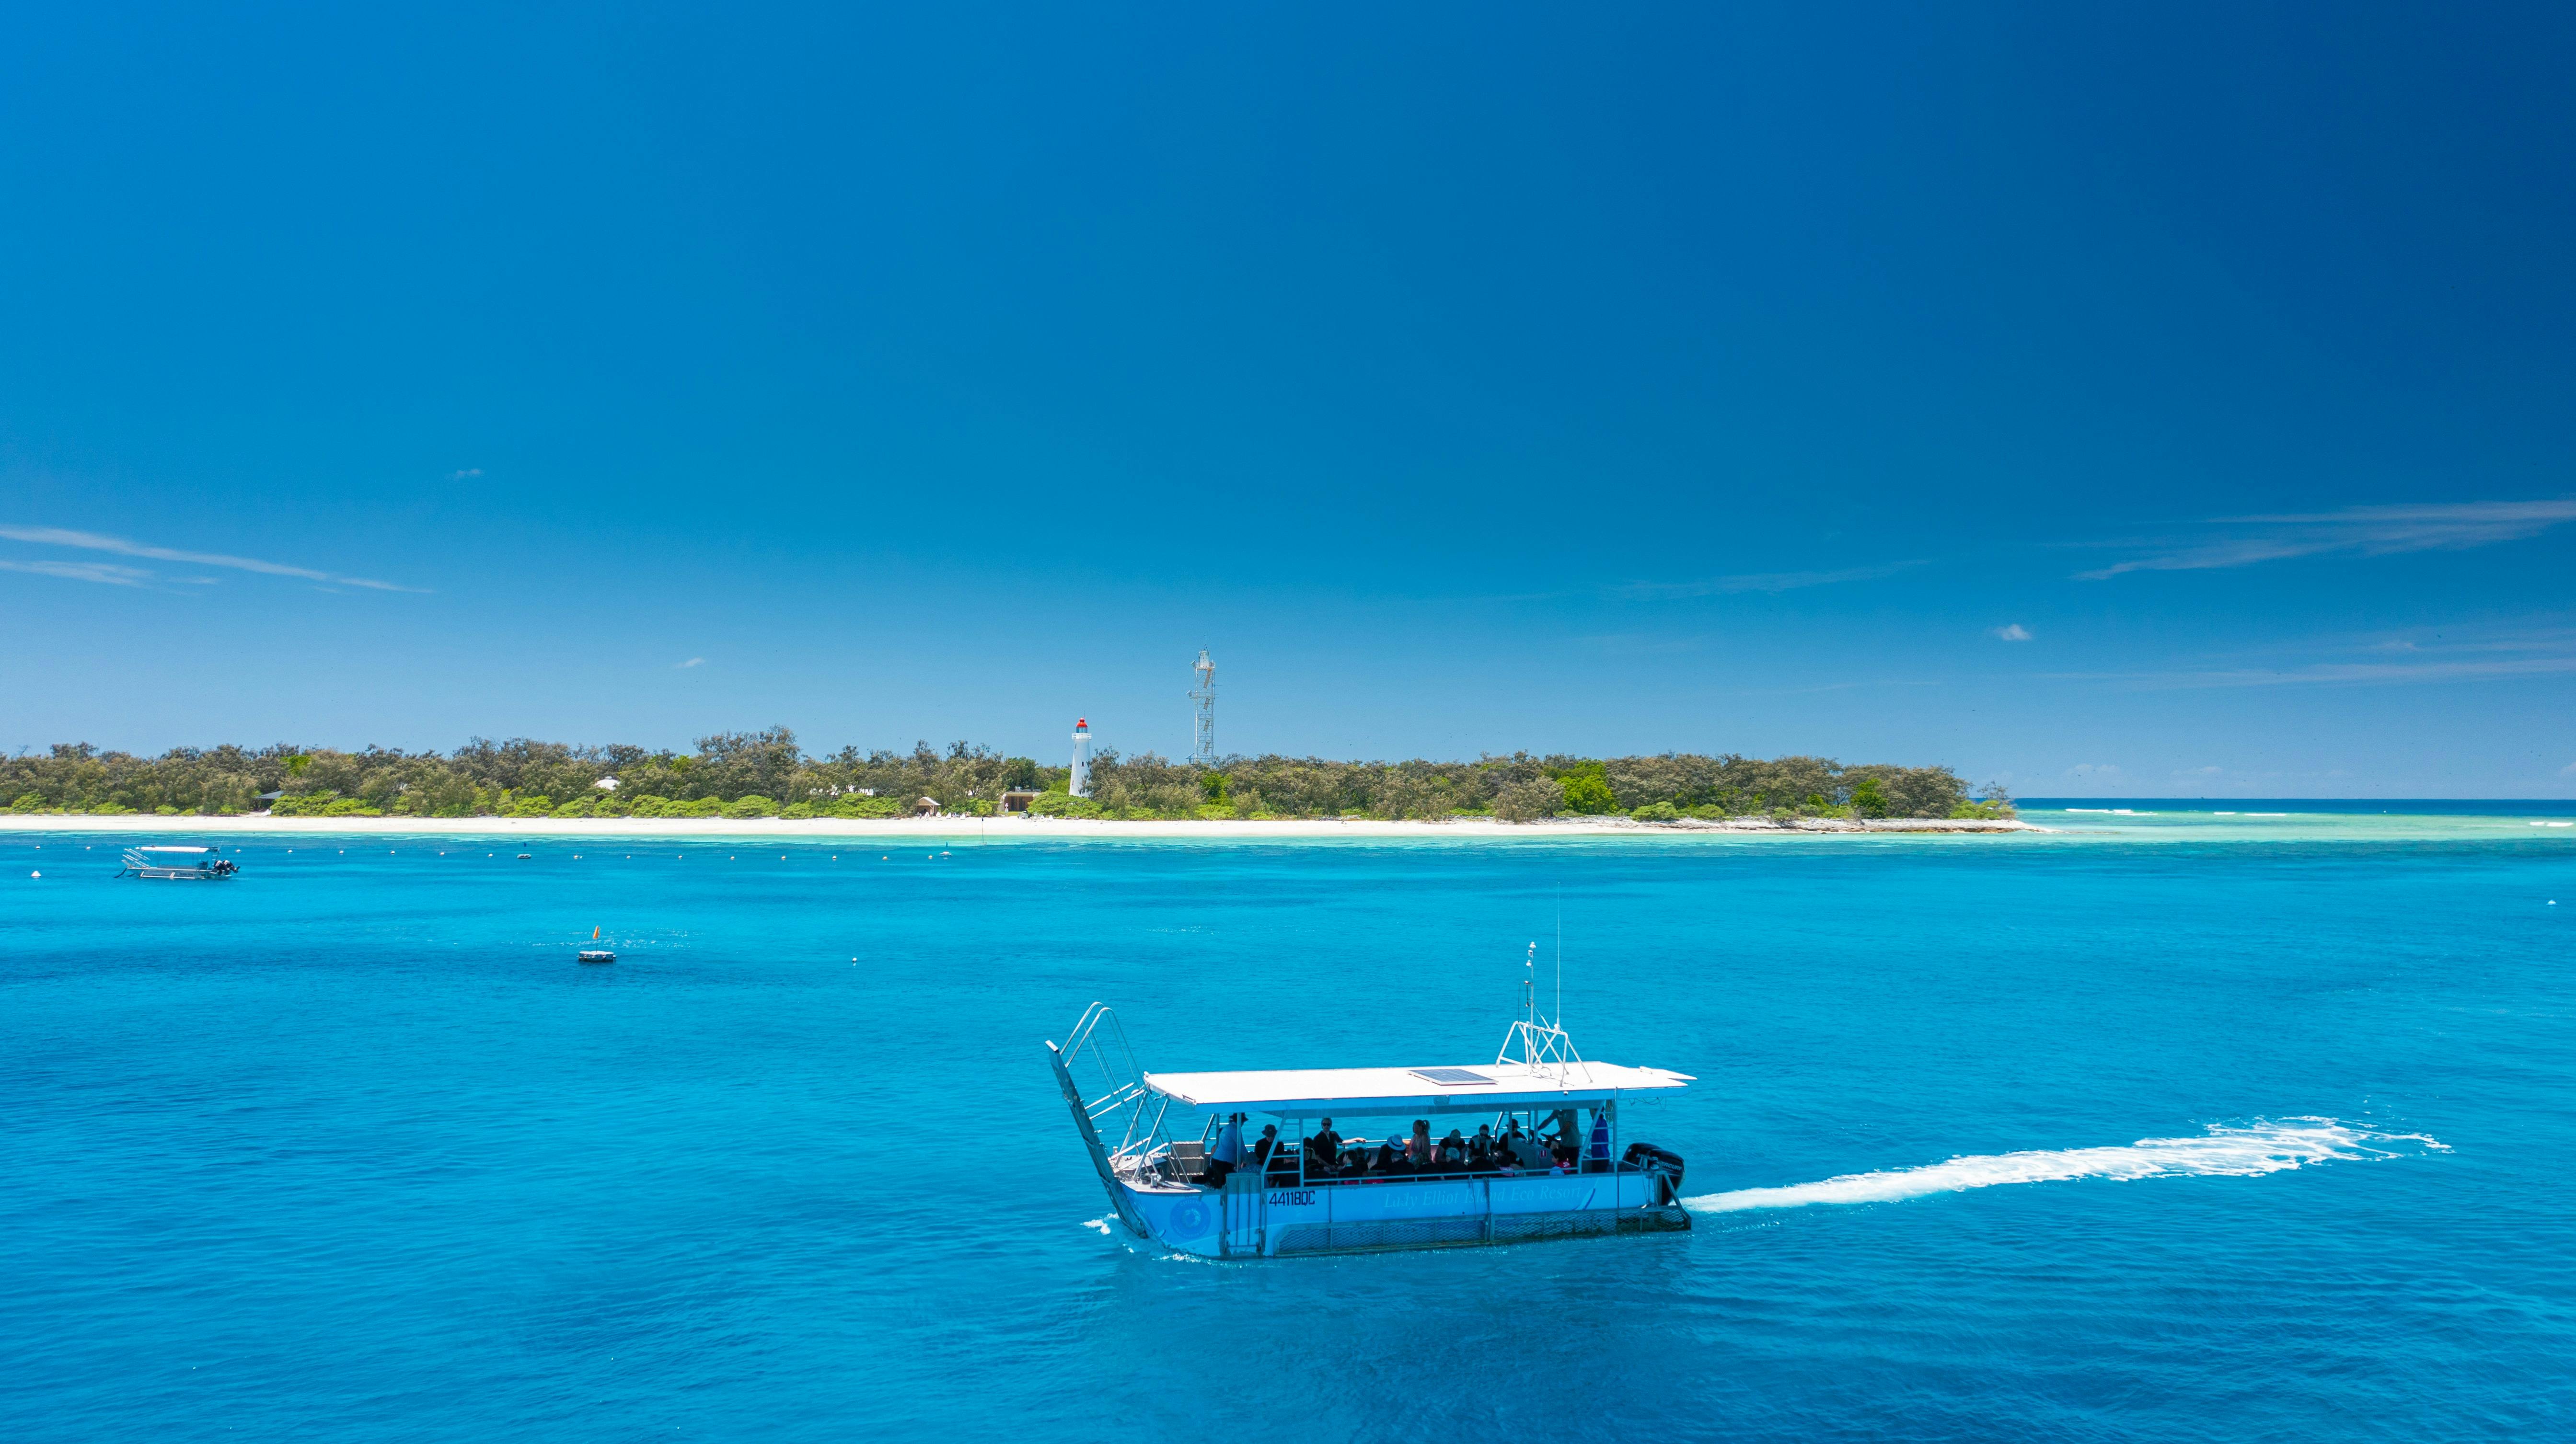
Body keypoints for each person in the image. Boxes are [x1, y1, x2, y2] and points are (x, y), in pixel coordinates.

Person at [1202, 1112, 1244, 1190]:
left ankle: (1218, 1198)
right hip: (1225, 1163)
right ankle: (1223, 1200)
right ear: (1240, 1121)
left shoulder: (1227, 1128)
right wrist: (1249, 1158)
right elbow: (1241, 1147)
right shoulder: (1235, 1130)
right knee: (1224, 1184)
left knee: (1219, 1185)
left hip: (1217, 1161)